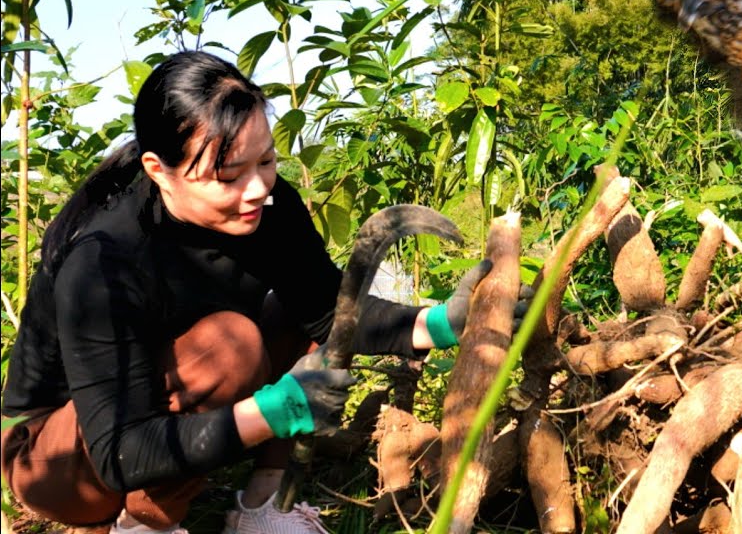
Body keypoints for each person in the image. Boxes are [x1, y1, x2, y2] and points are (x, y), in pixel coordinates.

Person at [2, 51, 498, 534]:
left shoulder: (270, 206)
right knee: (229, 343)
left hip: (155, 407)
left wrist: (436, 324)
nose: (257, 188)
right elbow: (118, 450)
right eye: (229, 176)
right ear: (158, 170)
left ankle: (262, 507)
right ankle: (145, 524)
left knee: (289, 312)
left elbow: (328, 312)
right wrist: (274, 410)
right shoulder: (106, 260)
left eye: (266, 161)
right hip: (55, 455)